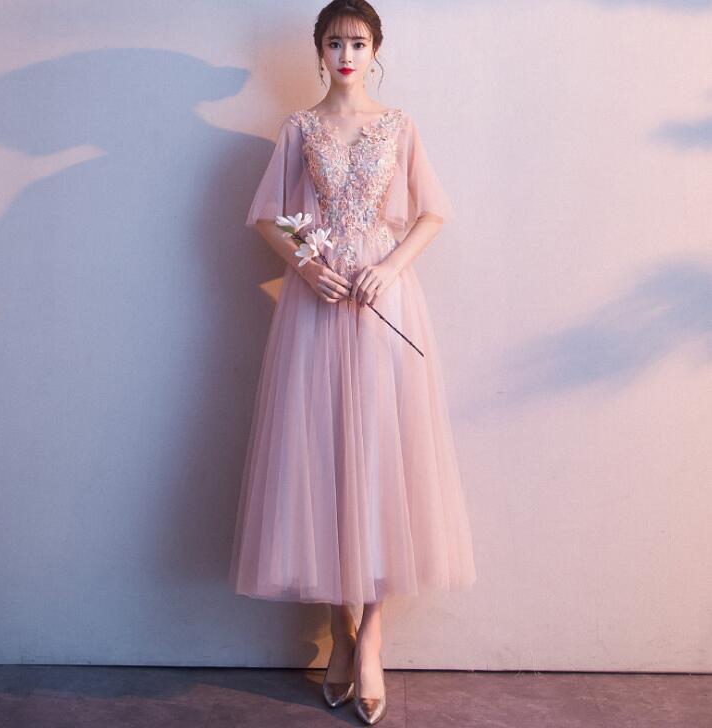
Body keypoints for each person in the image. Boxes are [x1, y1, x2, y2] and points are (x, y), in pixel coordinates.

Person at [228, 1, 477, 723]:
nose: (345, 54)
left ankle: (370, 636)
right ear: (319, 50)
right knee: (323, 459)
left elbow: (432, 211)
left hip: (381, 301)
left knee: (380, 461)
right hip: (317, 305)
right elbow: (268, 216)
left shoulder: (398, 125)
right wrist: (306, 267)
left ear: (375, 51)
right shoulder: (299, 128)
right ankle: (337, 630)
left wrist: (390, 269)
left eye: (358, 42)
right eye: (334, 42)